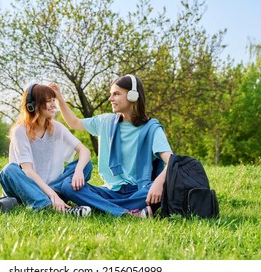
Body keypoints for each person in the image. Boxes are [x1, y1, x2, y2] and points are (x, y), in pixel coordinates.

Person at [50, 74, 173, 218]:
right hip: (110, 190)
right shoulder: (105, 122)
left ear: (133, 96)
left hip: (139, 190)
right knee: (67, 185)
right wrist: (59, 99)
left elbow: (172, 162)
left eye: (116, 94)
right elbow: (74, 123)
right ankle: (127, 213)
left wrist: (158, 182)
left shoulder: (151, 129)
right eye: (111, 94)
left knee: (163, 189)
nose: (110, 99)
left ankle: (101, 206)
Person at [0, 84, 93, 217]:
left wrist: (78, 171)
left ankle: (47, 201)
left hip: (52, 187)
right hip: (26, 188)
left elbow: (85, 151)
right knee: (9, 170)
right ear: (33, 105)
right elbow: (28, 171)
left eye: (53, 100)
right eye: (48, 101)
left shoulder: (57, 127)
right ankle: (49, 205)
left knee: (85, 165)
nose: (54, 105)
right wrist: (53, 195)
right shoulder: (20, 130)